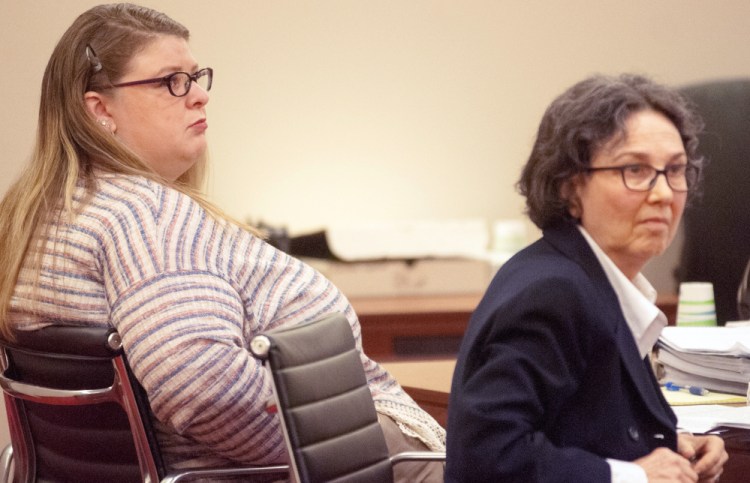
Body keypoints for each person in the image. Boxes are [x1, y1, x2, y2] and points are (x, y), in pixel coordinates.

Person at [0, 4, 445, 481]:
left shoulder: (38, 214)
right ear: (100, 109)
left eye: (196, 77)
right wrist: (322, 449)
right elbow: (201, 390)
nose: (198, 97)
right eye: (171, 81)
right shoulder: (148, 217)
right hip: (309, 464)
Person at [445, 74, 728, 482]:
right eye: (635, 169)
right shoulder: (552, 292)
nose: (664, 193)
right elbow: (487, 458)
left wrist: (667, 442)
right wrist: (636, 476)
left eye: (675, 170)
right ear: (570, 187)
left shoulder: (590, 278)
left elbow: (582, 424)